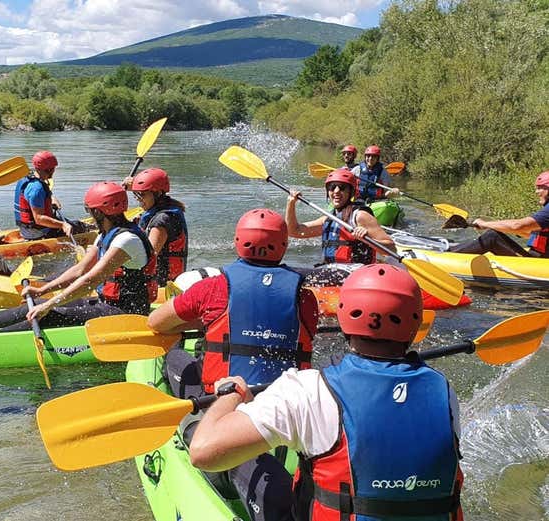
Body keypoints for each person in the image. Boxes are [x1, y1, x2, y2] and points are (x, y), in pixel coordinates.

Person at [189, 263, 464, 521]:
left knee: (244, 459)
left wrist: (231, 394)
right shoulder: (444, 391)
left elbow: (203, 452)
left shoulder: (307, 389)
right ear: (415, 324)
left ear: (343, 315)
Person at [147, 208, 318, 521]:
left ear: (239, 241)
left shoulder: (214, 286)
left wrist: (206, 320)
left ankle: (193, 430)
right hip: (286, 403)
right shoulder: (306, 297)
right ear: (283, 245)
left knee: (173, 356)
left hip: (227, 400)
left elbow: (156, 322)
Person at [0, 182, 157, 333]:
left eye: (89, 210)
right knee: (35, 304)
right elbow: (80, 269)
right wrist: (43, 291)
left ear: (99, 212)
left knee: (48, 314)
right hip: (106, 302)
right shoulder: (106, 234)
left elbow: (91, 280)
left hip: (126, 313)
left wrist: (50, 305)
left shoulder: (126, 240)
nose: (89, 214)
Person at [285, 168, 394, 265]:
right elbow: (294, 231)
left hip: (357, 273)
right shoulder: (328, 219)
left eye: (342, 187)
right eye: (332, 187)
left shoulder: (360, 216)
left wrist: (367, 240)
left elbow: (392, 249)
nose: (336, 191)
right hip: (331, 270)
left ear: (351, 192)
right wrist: (291, 204)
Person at [450, 171, 549, 258]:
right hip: (538, 259)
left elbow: (517, 225)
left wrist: (485, 224)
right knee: (495, 233)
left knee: (492, 237)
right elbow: (531, 234)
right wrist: (502, 228)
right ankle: (451, 251)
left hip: (536, 264)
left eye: (540, 188)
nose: (536, 192)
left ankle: (448, 255)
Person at [127, 167, 188, 285]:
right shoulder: (162, 208)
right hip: (159, 280)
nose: (139, 199)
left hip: (163, 285)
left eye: (142, 195)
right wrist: (134, 186)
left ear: (158, 193)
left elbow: (148, 257)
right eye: (136, 194)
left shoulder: (162, 221)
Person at [14, 150, 88, 240]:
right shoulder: (36, 189)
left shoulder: (28, 179)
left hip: (26, 229)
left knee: (73, 223)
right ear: (50, 169)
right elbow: (39, 219)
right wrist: (63, 225)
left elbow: (39, 196)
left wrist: (52, 198)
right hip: (38, 233)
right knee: (79, 227)